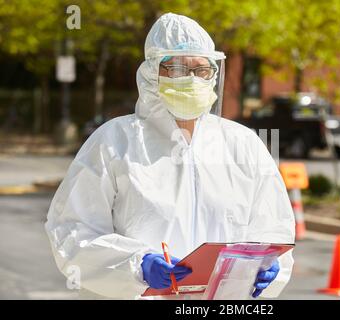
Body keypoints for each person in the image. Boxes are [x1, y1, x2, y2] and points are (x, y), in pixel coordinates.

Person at [45, 12, 295, 300]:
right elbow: (72, 232)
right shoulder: (114, 142)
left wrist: (268, 266)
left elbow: (273, 228)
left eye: (201, 70)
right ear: (152, 73)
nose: (191, 79)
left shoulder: (243, 144)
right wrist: (136, 265)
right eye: (176, 68)